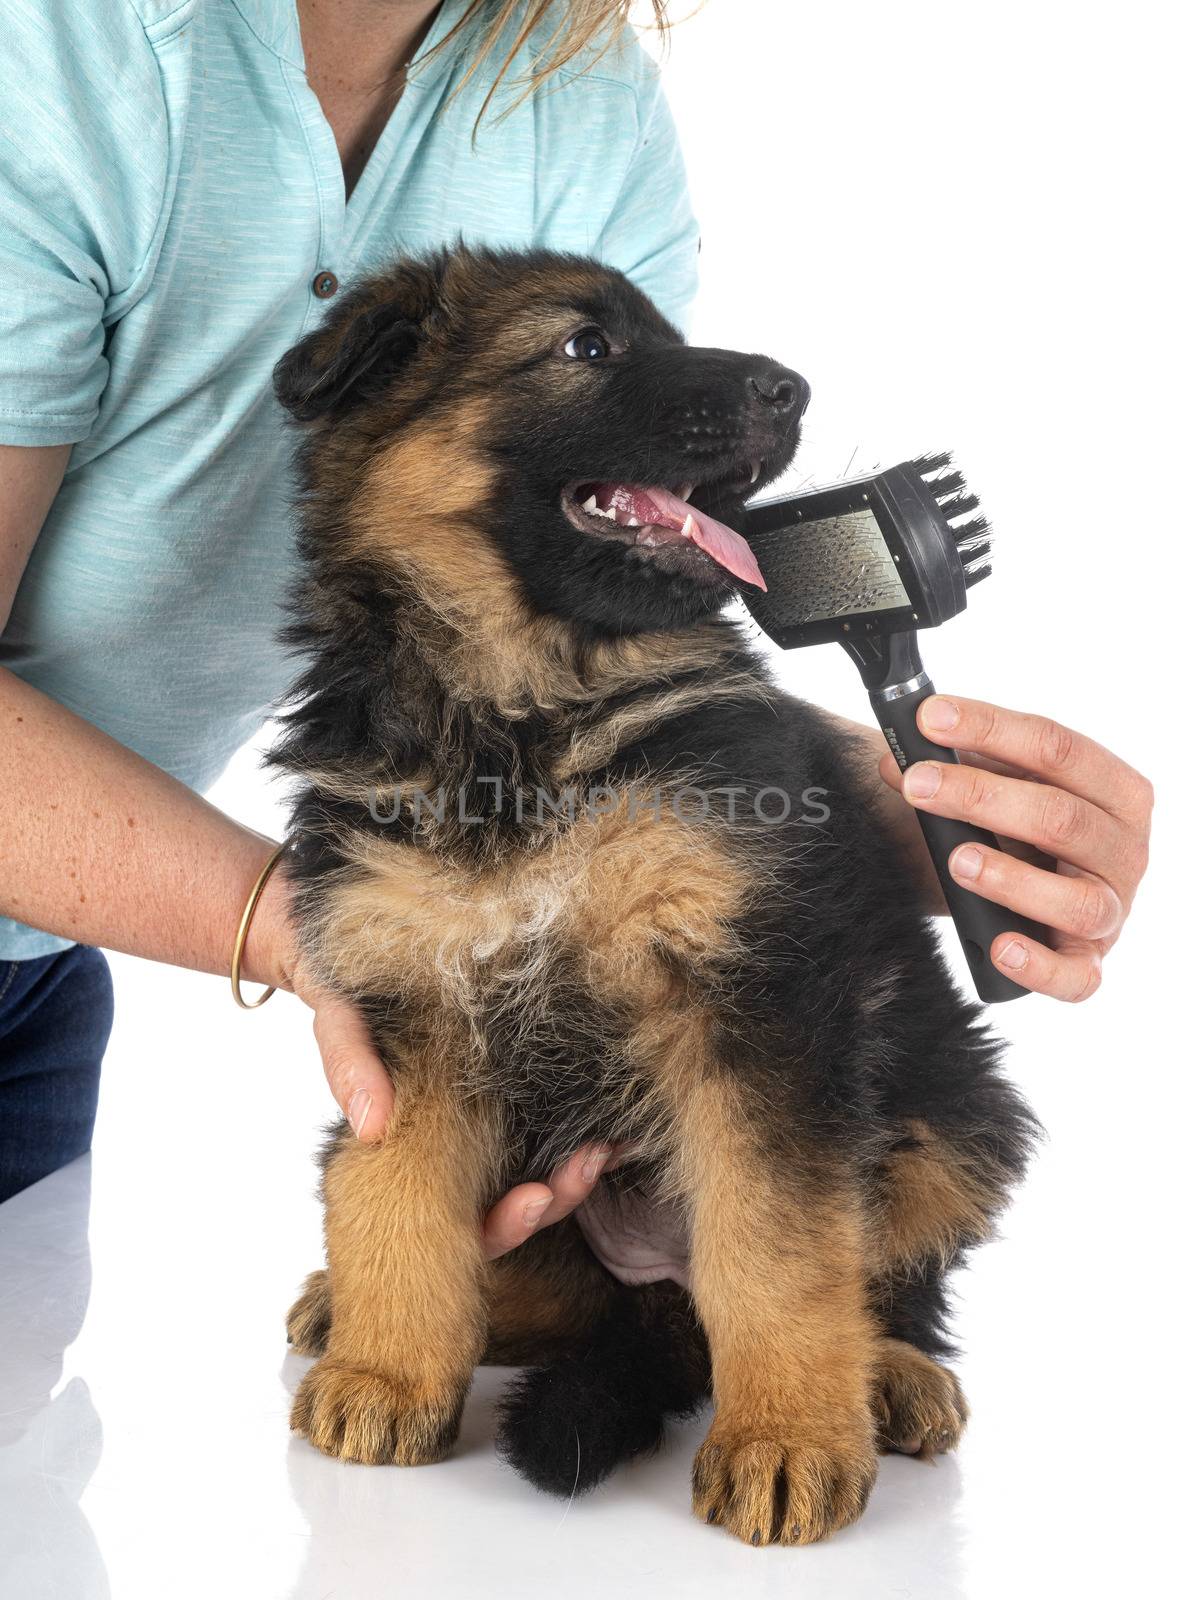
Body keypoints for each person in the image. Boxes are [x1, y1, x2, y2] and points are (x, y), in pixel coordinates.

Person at [0, 0, 1152, 1235]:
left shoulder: (577, 90)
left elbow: (559, 662)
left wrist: (903, 816)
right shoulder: (61, 54)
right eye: (587, 346)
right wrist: (333, 934)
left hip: (42, 977)